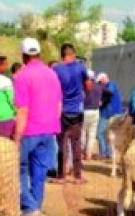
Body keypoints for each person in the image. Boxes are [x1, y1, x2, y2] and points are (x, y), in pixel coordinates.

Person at [13, 37, 62, 216]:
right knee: (39, 174)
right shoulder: (52, 74)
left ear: (24, 55)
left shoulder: (22, 76)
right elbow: (58, 105)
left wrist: (17, 137)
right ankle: (34, 214)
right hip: (49, 130)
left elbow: (22, 110)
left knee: (18, 171)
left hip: (29, 130)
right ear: (39, 54)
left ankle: (30, 207)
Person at [52, 43, 91, 183]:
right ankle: (77, 176)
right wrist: (83, 95)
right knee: (76, 143)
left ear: (62, 55)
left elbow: (53, 90)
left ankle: (61, 176)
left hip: (61, 111)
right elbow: (88, 86)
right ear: (72, 54)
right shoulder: (81, 68)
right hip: (77, 111)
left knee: (61, 144)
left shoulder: (56, 70)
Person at [96, 72, 122, 160]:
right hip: (109, 113)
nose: (99, 84)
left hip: (110, 114)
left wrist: (101, 101)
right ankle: (107, 153)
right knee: (106, 134)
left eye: (100, 82)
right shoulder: (109, 86)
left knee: (100, 133)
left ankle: (105, 153)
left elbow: (109, 93)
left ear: (103, 79)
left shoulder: (111, 85)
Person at [81, 70, 103, 160]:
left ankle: (82, 152)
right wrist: (102, 102)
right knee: (92, 134)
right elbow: (108, 93)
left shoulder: (83, 86)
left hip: (85, 111)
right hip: (95, 111)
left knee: (82, 133)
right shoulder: (99, 87)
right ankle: (89, 153)